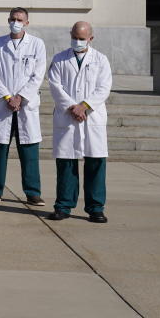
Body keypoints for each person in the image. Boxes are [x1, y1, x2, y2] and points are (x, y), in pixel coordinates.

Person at [46, 21, 112, 223]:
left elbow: (104, 88)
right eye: (74, 37)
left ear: (91, 38)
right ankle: (63, 205)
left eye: (82, 38)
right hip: (68, 116)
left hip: (92, 117)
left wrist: (84, 106)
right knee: (66, 163)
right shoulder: (59, 59)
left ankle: (95, 207)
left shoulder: (101, 60)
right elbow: (55, 86)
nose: (77, 41)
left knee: (95, 162)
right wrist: (73, 107)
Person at [0, 7, 47, 206]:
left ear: (27, 22)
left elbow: (38, 75)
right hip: (4, 105)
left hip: (26, 106)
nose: (15, 22)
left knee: (29, 150)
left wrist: (21, 97)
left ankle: (33, 192)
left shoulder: (37, 44)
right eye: (12, 18)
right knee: (0, 149)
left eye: (19, 19)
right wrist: (8, 97)